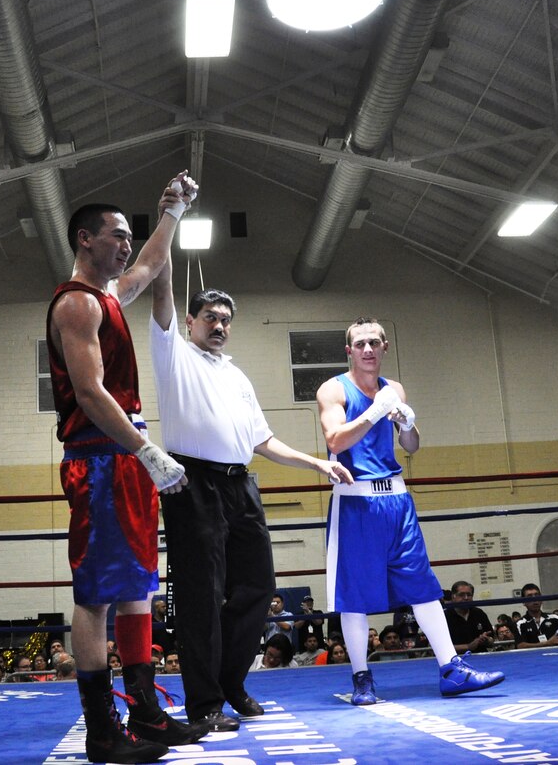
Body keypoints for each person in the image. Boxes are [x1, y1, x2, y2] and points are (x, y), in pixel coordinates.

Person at [150, 268, 355, 732]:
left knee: (259, 588)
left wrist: (317, 463)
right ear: (190, 321)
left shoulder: (238, 375)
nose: (218, 325)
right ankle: (203, 703)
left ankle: (230, 683)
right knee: (201, 597)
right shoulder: (174, 355)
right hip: (193, 484)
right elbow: (160, 298)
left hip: (241, 485)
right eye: (209, 317)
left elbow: (263, 440)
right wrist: (169, 224)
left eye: (225, 319)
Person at [47, 173, 206, 762]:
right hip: (101, 458)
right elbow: (89, 393)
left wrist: (173, 211)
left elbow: (148, 264)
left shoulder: (110, 297)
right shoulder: (77, 303)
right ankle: (101, 731)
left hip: (127, 453)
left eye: (127, 236)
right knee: (95, 596)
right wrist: (146, 451)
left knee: (138, 586)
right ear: (85, 239)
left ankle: (146, 713)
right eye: (115, 235)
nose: (124, 245)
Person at [316, 317, 504, 706]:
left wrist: (408, 424)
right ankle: (362, 679)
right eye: (360, 344)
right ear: (349, 351)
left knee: (422, 586)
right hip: (356, 501)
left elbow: (412, 446)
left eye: (374, 342)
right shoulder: (333, 389)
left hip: (398, 500)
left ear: (385, 347)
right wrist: (371, 414)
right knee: (355, 596)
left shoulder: (394, 388)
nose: (368, 349)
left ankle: (451, 669)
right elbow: (334, 439)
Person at [445, 580, 496, 655]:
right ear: (453, 596)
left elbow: (491, 639)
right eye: (461, 595)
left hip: (481, 658)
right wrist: (468, 647)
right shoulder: (444, 617)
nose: (466, 598)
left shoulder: (479, 613)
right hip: (455, 660)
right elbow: (441, 647)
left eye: (469, 595)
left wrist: (486, 640)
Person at [515, 583, 558, 648]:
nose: (535, 600)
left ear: (541, 599)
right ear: (523, 602)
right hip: (533, 657)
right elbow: (520, 646)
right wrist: (548, 643)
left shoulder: (554, 618)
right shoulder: (520, 623)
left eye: (537, 595)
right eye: (529, 597)